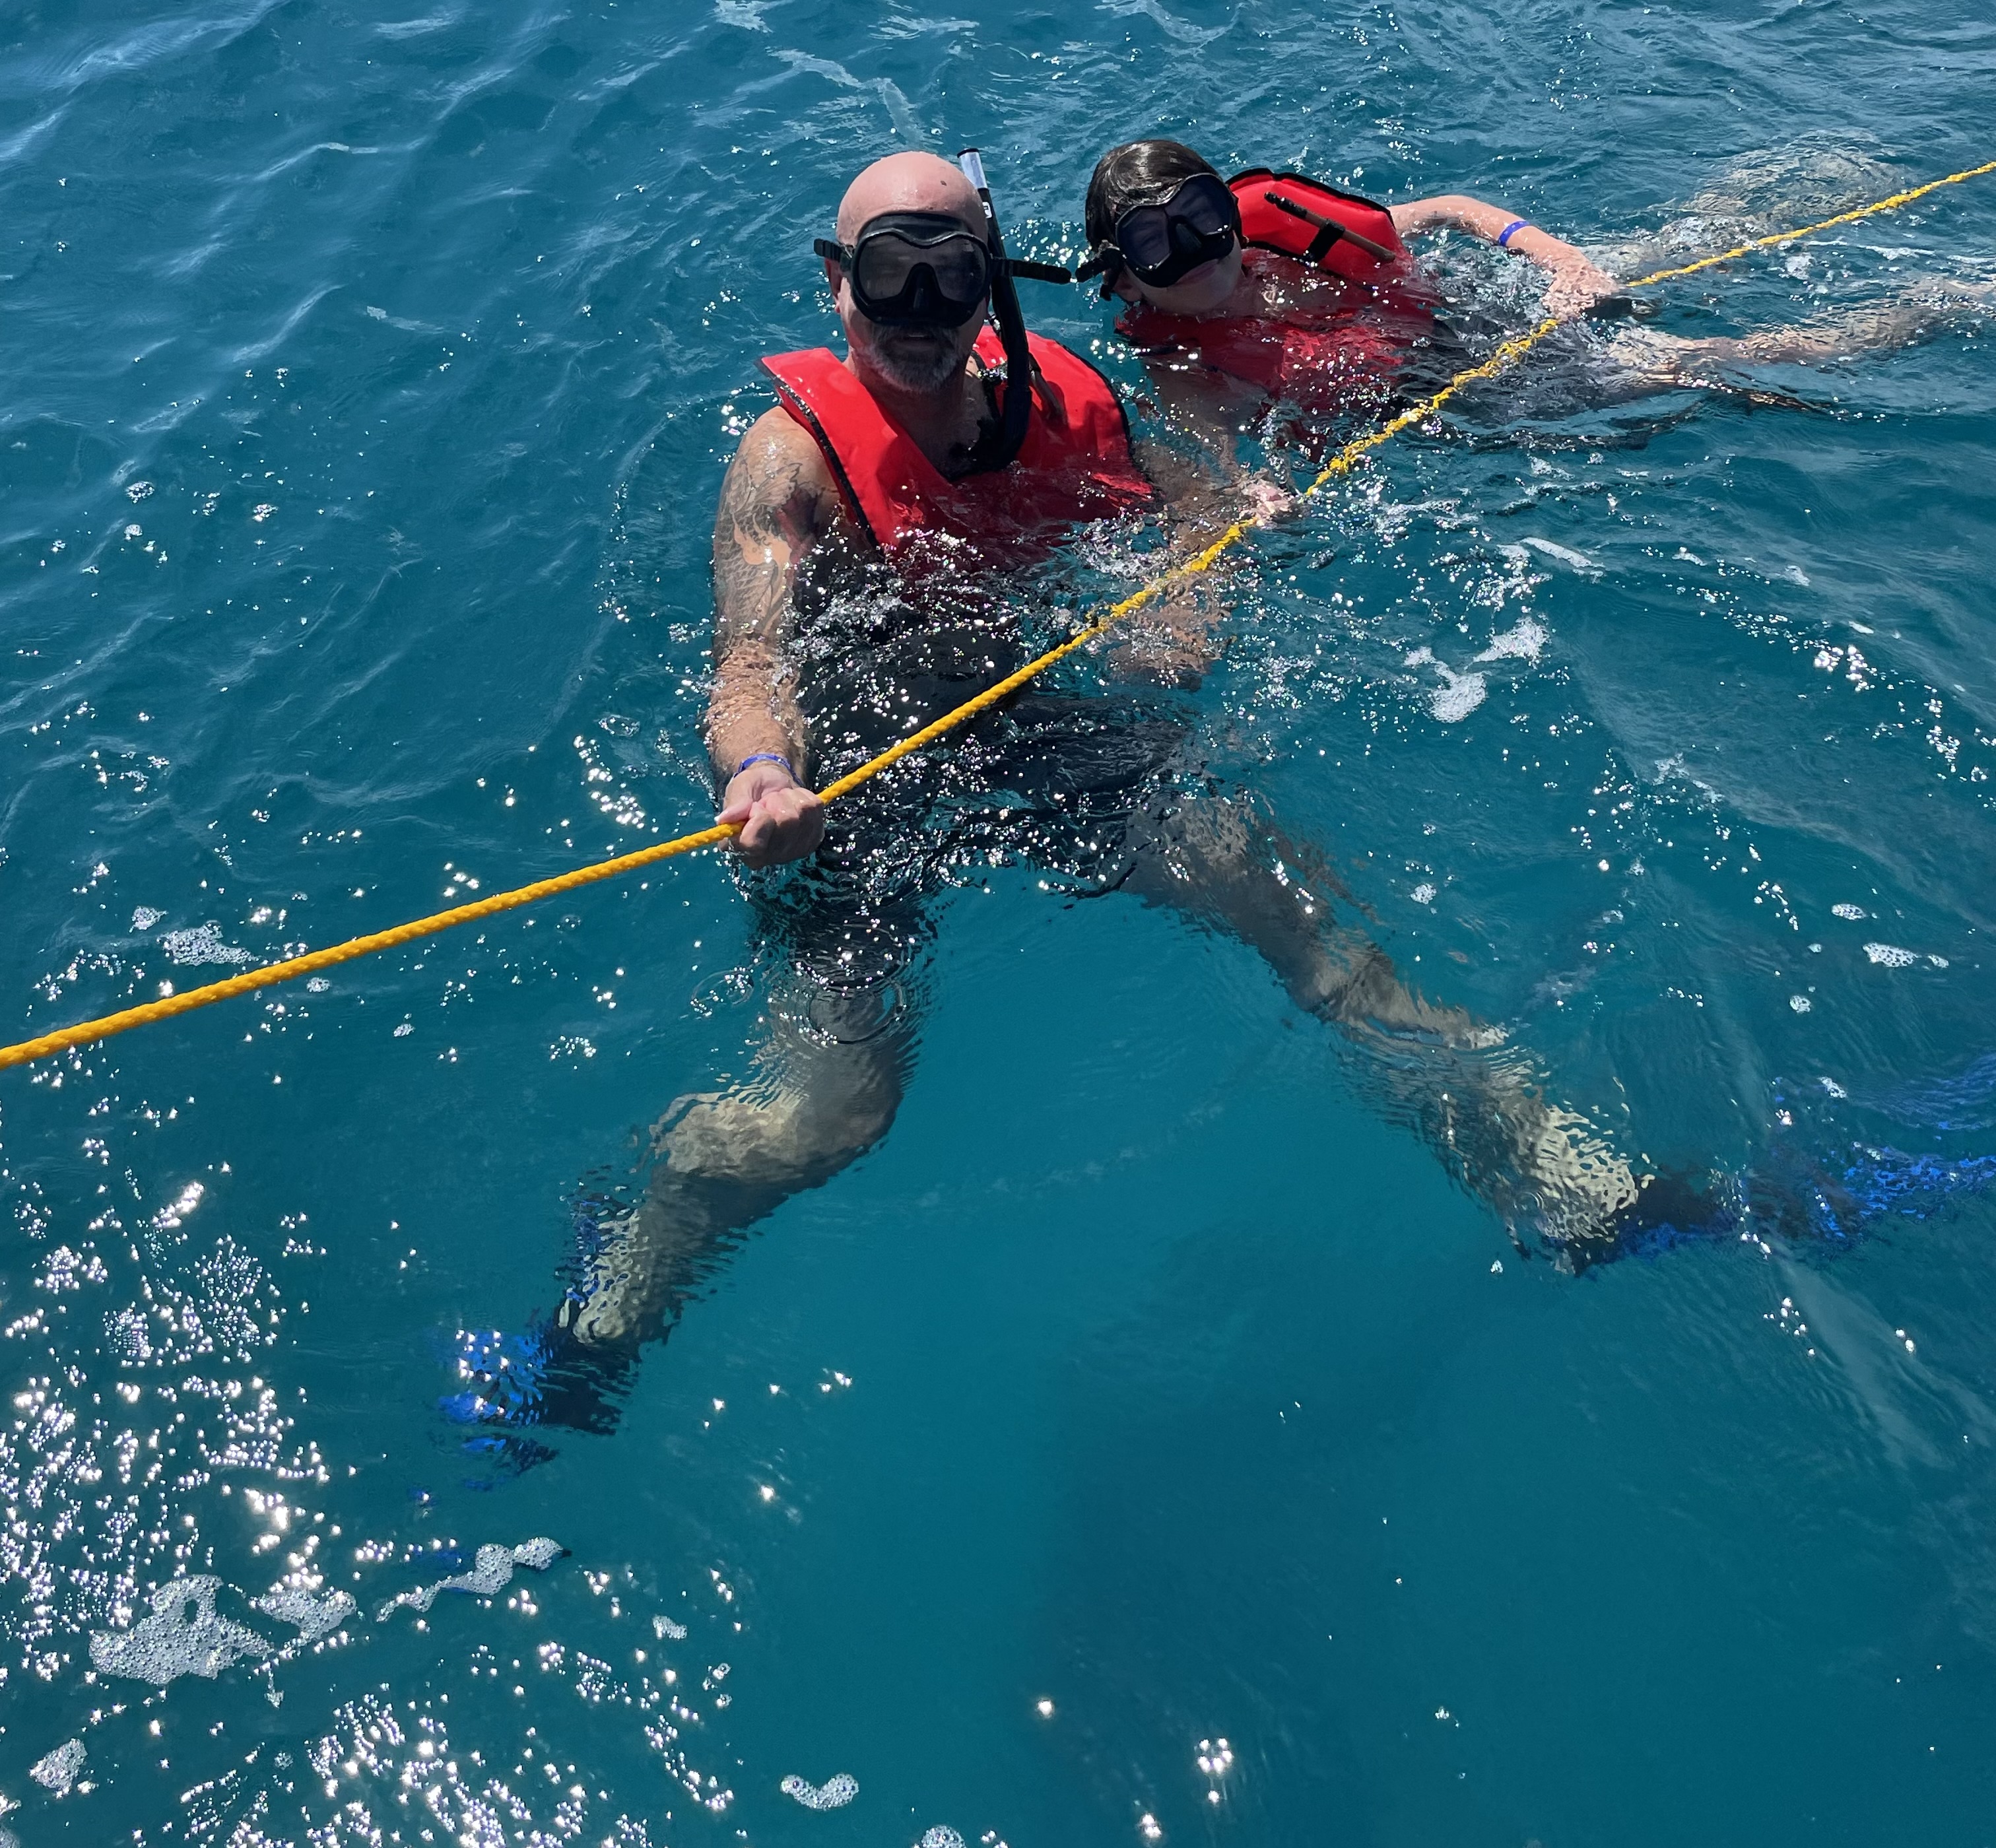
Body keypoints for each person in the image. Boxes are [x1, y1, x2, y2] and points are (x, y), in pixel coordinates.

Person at [445, 150, 1702, 1467]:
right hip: (854, 778)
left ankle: (1574, 1183)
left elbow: (1198, 500)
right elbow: (750, 666)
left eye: (954, 281)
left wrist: (1197, 589)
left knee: (1294, 910)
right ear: (836, 289)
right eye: (892, 282)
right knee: (830, 1115)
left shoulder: (1073, 396)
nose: (925, 319)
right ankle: (603, 1306)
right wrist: (761, 777)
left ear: (995, 283)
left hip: (1044, 726)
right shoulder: (787, 463)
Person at [1078, 138, 1990, 452]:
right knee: (1711, 362)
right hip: (1456, 378)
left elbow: (1450, 210)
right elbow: (1220, 473)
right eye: (1157, 246)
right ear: (1122, 275)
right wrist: (1255, 503)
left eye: (1201, 216)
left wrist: (1558, 260)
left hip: (1474, 296)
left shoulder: (1285, 235)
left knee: (1669, 254)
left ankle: (1782, 187)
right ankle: (1947, 300)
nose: (1198, 251)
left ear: (1229, 207)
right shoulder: (1183, 368)